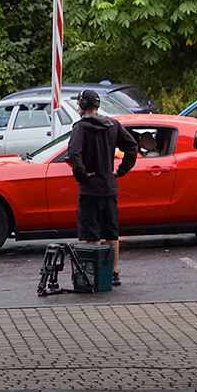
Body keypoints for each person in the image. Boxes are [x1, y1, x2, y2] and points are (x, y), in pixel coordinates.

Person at [67, 89, 137, 287]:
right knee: (111, 232)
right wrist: (120, 171)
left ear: (81, 104)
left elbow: (74, 153)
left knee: (92, 234)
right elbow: (131, 146)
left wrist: (81, 175)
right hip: (109, 186)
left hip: (89, 189)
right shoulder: (112, 125)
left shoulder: (80, 128)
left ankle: (96, 274)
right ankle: (113, 272)